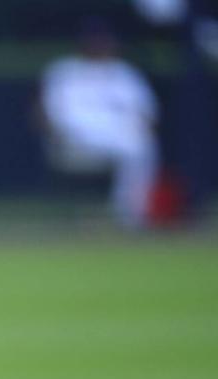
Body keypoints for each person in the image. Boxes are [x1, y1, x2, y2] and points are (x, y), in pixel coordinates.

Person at [40, 19, 160, 228]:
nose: (100, 46)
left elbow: (147, 114)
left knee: (141, 147)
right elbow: (46, 112)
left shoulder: (124, 73)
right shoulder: (65, 71)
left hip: (119, 137)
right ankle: (126, 216)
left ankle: (129, 216)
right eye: (94, 41)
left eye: (104, 41)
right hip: (75, 138)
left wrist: (144, 129)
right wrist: (54, 134)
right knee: (134, 146)